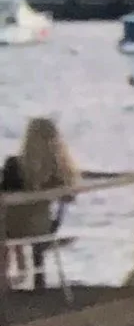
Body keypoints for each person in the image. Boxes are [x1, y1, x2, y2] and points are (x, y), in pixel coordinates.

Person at [2, 116, 79, 286]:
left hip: (9, 227)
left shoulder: (13, 165)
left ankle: (8, 278)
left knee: (9, 221)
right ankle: (36, 279)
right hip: (41, 229)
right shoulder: (59, 172)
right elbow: (69, 198)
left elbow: (4, 199)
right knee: (31, 220)